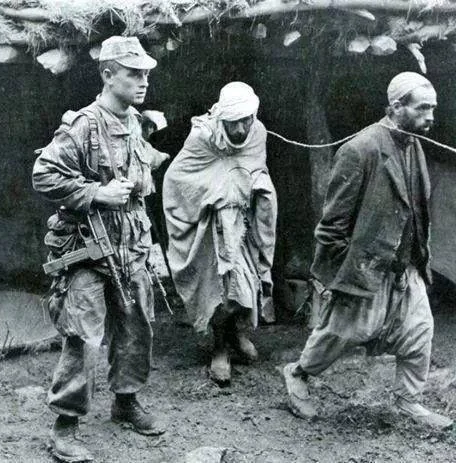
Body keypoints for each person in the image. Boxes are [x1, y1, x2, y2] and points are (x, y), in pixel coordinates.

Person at [283, 72, 453, 430]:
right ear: (396, 107)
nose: (431, 117)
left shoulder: (414, 145)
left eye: (433, 109)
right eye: (423, 109)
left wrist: (417, 257)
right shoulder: (359, 150)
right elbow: (332, 226)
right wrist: (339, 278)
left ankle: (408, 400)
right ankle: (298, 374)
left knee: (419, 330)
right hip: (366, 267)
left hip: (405, 266)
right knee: (341, 332)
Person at [33, 36, 169, 462]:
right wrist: (96, 193)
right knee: (84, 337)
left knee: (136, 325)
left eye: (146, 74)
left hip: (131, 246)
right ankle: (65, 425)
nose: (143, 81)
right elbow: (43, 174)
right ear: (108, 75)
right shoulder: (84, 124)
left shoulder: (136, 123)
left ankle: (126, 402)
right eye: (133, 74)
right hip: (89, 248)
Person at [163, 82, 277, 385]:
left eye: (245, 120)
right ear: (221, 119)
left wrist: (256, 188)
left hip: (245, 220)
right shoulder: (203, 137)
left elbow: (254, 169)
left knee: (246, 281)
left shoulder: (258, 133)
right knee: (220, 286)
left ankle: (237, 333)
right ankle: (220, 347)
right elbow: (178, 177)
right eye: (232, 122)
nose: (240, 129)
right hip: (211, 224)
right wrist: (217, 193)